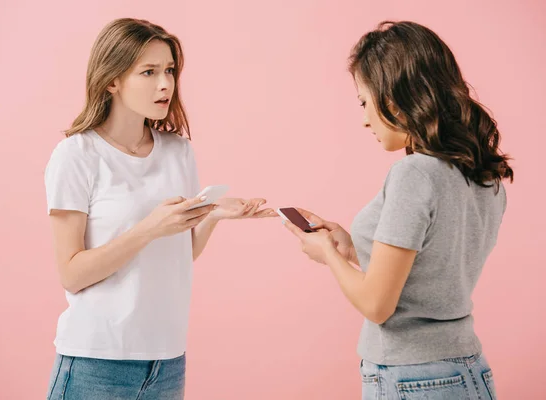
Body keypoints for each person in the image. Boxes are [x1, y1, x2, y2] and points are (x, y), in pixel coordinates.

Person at [44, 18, 276, 400]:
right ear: (112, 79)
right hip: (96, 361)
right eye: (148, 72)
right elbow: (71, 273)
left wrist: (211, 215)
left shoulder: (178, 152)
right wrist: (149, 228)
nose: (165, 83)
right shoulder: (77, 155)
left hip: (167, 361)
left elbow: (180, 253)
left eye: (169, 70)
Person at [282, 21, 511, 399]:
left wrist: (325, 253)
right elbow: (433, 266)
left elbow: (377, 305)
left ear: (393, 98)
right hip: (470, 370)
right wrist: (351, 248)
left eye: (363, 101)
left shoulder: (414, 174)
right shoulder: (483, 174)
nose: (364, 118)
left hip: (412, 377)